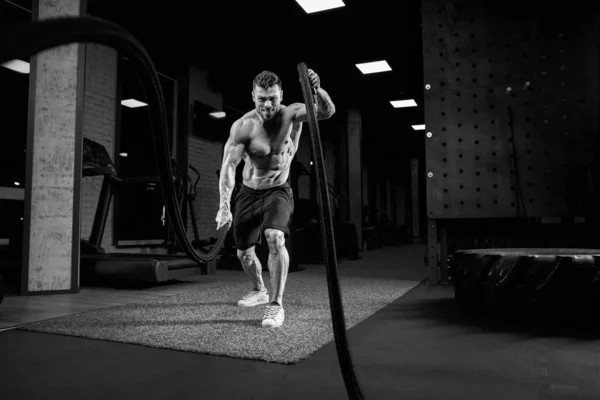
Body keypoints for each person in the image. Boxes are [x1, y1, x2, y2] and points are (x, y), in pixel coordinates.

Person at [216, 69, 336, 328]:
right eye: (261, 99)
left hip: (278, 190)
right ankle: (260, 290)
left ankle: (276, 305)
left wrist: (318, 90)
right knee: (243, 255)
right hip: (247, 192)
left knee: (274, 237)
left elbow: (326, 112)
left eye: (272, 98)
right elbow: (229, 165)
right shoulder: (243, 126)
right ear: (252, 96)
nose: (267, 104)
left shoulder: (292, 114)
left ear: (281, 95)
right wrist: (224, 204)